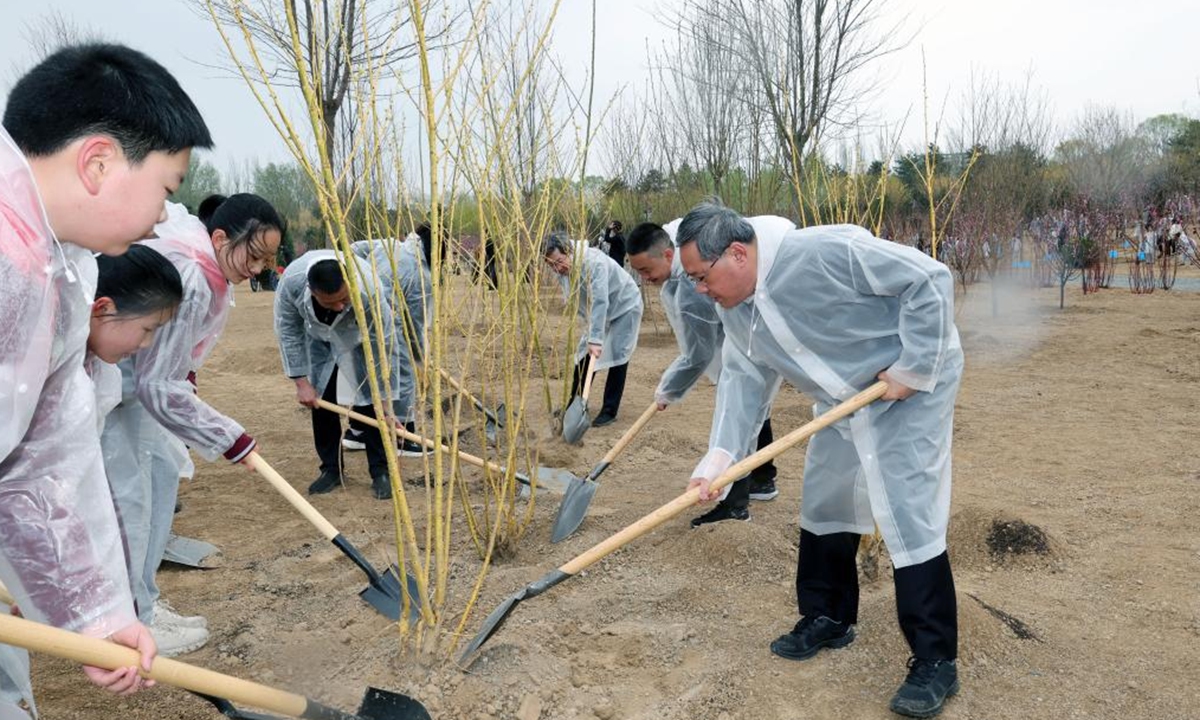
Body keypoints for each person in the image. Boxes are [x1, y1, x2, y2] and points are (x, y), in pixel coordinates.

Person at [677, 203, 964, 718]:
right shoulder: (734, 306)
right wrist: (720, 457)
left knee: (907, 508)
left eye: (702, 277)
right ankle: (827, 616)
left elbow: (929, 278)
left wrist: (914, 366)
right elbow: (744, 380)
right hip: (841, 399)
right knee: (827, 496)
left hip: (909, 386)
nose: (701, 290)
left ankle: (935, 659)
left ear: (737, 254)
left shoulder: (827, 251)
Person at [0, 42, 212, 714]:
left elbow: (47, 461)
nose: (162, 217)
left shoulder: (65, 272)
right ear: (98, 162)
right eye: (166, 190)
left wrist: (95, 614)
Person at [102, 194, 283, 657]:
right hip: (113, 391)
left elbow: (173, 360)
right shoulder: (192, 274)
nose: (259, 269)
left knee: (160, 476)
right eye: (255, 255)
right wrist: (231, 439)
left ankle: (145, 602)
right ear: (220, 237)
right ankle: (131, 621)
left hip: (135, 390)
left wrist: (189, 378)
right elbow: (159, 386)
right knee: (131, 501)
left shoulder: (206, 265)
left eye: (267, 260)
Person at [626, 217, 795, 526]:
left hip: (746, 348)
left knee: (737, 418)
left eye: (647, 271)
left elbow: (698, 353)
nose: (645, 279)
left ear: (667, 254)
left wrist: (670, 388)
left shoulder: (693, 281)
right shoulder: (683, 254)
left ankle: (735, 502)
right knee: (753, 409)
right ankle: (763, 478)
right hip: (743, 349)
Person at [275, 249, 422, 501]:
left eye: (344, 298)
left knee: (370, 402)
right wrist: (301, 381)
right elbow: (288, 330)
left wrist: (386, 405)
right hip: (317, 340)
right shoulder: (292, 283)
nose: (340, 306)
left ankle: (380, 471)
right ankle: (331, 469)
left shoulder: (369, 288)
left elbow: (384, 345)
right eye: (330, 302)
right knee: (322, 402)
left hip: (360, 338)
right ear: (312, 292)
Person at [542, 232, 643, 427]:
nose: (557, 268)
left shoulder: (593, 262)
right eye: (551, 265)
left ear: (569, 251)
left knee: (618, 356)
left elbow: (600, 299)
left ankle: (609, 410)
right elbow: (580, 301)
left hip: (624, 305)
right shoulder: (564, 268)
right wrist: (592, 335)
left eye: (559, 261)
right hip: (599, 313)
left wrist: (596, 338)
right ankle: (574, 405)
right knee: (583, 358)